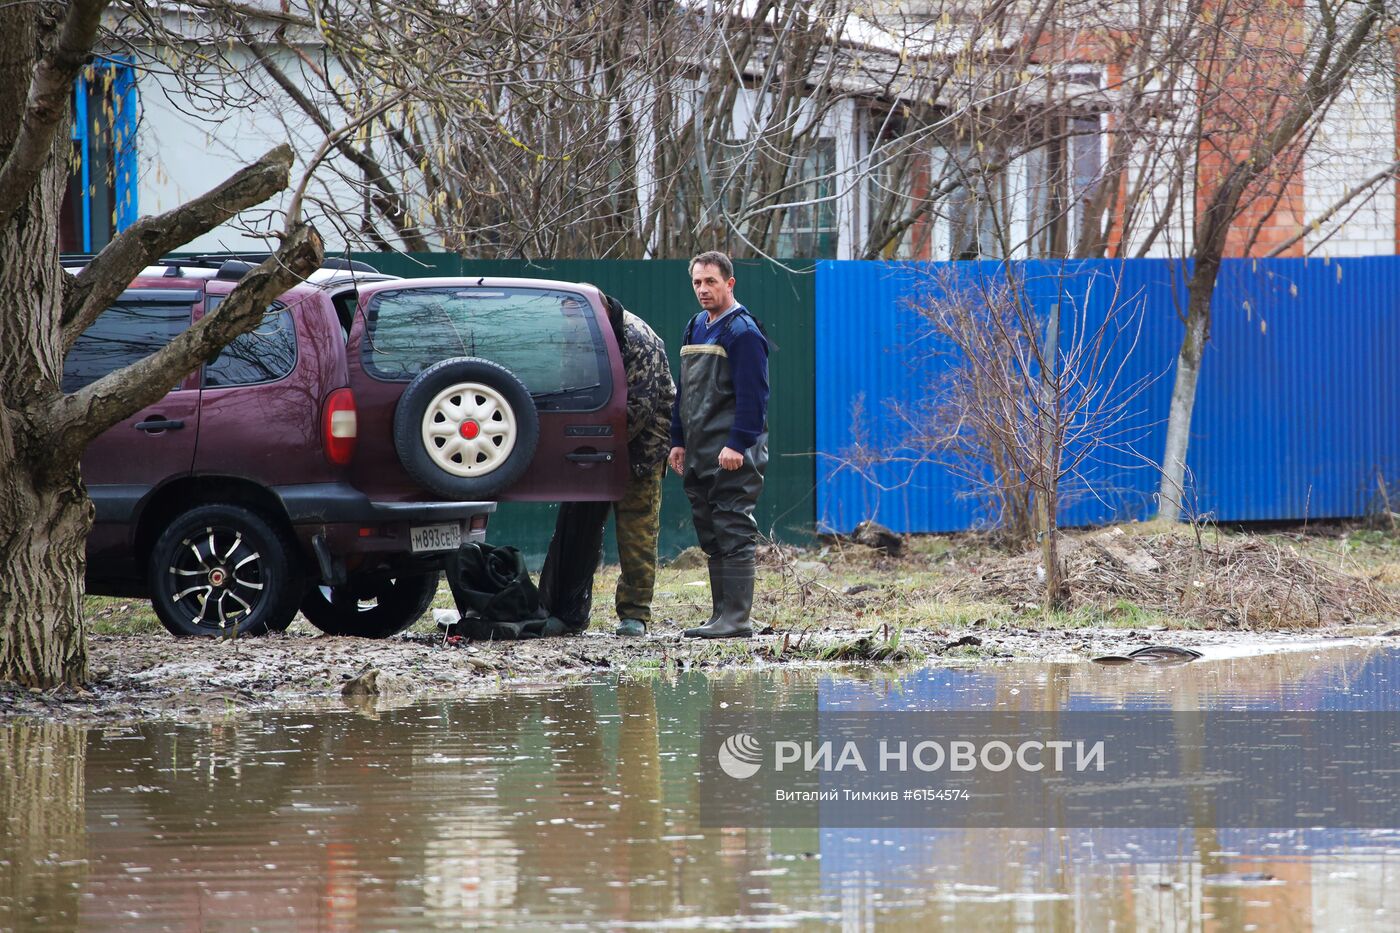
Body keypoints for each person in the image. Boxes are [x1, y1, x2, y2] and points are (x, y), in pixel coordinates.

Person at [536, 293, 675, 636]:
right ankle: (567, 611)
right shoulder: (581, 334)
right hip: (593, 443)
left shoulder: (638, 339)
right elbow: (571, 386)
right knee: (577, 526)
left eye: (577, 319)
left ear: (601, 311)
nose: (573, 327)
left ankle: (634, 614)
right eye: (569, 320)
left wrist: (590, 440)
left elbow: (640, 409)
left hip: (641, 449)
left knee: (637, 533)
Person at [669, 251, 770, 638]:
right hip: (699, 449)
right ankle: (719, 616)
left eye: (710, 281)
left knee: (733, 527)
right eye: (697, 282)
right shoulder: (695, 325)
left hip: (731, 452)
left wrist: (738, 444)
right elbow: (684, 392)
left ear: (729, 283)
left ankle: (737, 619)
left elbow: (754, 397)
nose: (702, 289)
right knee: (711, 532)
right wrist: (677, 440)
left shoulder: (743, 332)